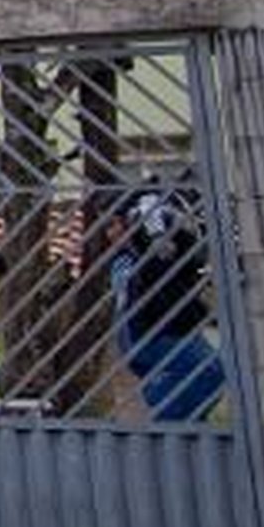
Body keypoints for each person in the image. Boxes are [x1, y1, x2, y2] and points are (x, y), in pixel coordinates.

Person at [105, 179, 227, 425]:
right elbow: (150, 278)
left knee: (194, 395)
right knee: (209, 373)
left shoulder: (145, 241)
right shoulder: (129, 254)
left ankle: (176, 435)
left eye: (114, 224)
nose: (110, 233)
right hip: (153, 334)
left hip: (166, 330)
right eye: (107, 226)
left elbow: (188, 258)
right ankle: (156, 428)